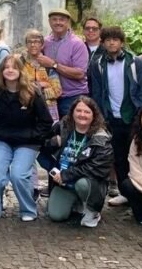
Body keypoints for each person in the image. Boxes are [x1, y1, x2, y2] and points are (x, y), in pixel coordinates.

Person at [0, 54, 52, 221]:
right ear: (1, 71)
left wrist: (34, 136)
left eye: (14, 67)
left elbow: (46, 121)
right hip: (2, 139)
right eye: (6, 67)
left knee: (18, 175)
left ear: (21, 71)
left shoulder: (32, 92)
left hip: (27, 142)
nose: (10, 70)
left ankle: (28, 210)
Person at [88, 26, 142, 207]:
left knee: (138, 155)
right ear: (103, 43)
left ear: (122, 42)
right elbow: (97, 92)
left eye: (115, 39)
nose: (112, 43)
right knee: (119, 157)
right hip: (112, 118)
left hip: (133, 117)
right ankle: (125, 193)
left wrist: (141, 113)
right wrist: (101, 116)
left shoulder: (135, 63)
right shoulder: (97, 64)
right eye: (108, 40)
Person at [46, 97, 113, 228]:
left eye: (87, 112)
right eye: (79, 111)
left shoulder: (101, 138)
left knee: (82, 185)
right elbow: (44, 146)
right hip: (64, 183)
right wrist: (53, 142)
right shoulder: (63, 127)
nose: (82, 114)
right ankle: (76, 202)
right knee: (56, 215)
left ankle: (92, 210)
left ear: (94, 115)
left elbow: (95, 168)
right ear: (72, 112)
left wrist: (66, 175)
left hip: (87, 183)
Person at [38, 9, 88, 118]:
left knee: (70, 127)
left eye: (62, 20)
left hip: (72, 97)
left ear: (68, 22)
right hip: (50, 97)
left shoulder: (77, 44)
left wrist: (53, 64)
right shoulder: (45, 42)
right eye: (54, 19)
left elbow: (80, 74)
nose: (58, 22)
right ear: (49, 22)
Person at [22, 29, 62, 123]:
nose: (33, 45)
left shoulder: (47, 63)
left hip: (48, 110)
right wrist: (42, 85)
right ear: (26, 44)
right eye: (30, 42)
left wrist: (39, 88)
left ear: (42, 44)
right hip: (27, 110)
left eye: (36, 42)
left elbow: (57, 91)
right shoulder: (21, 63)